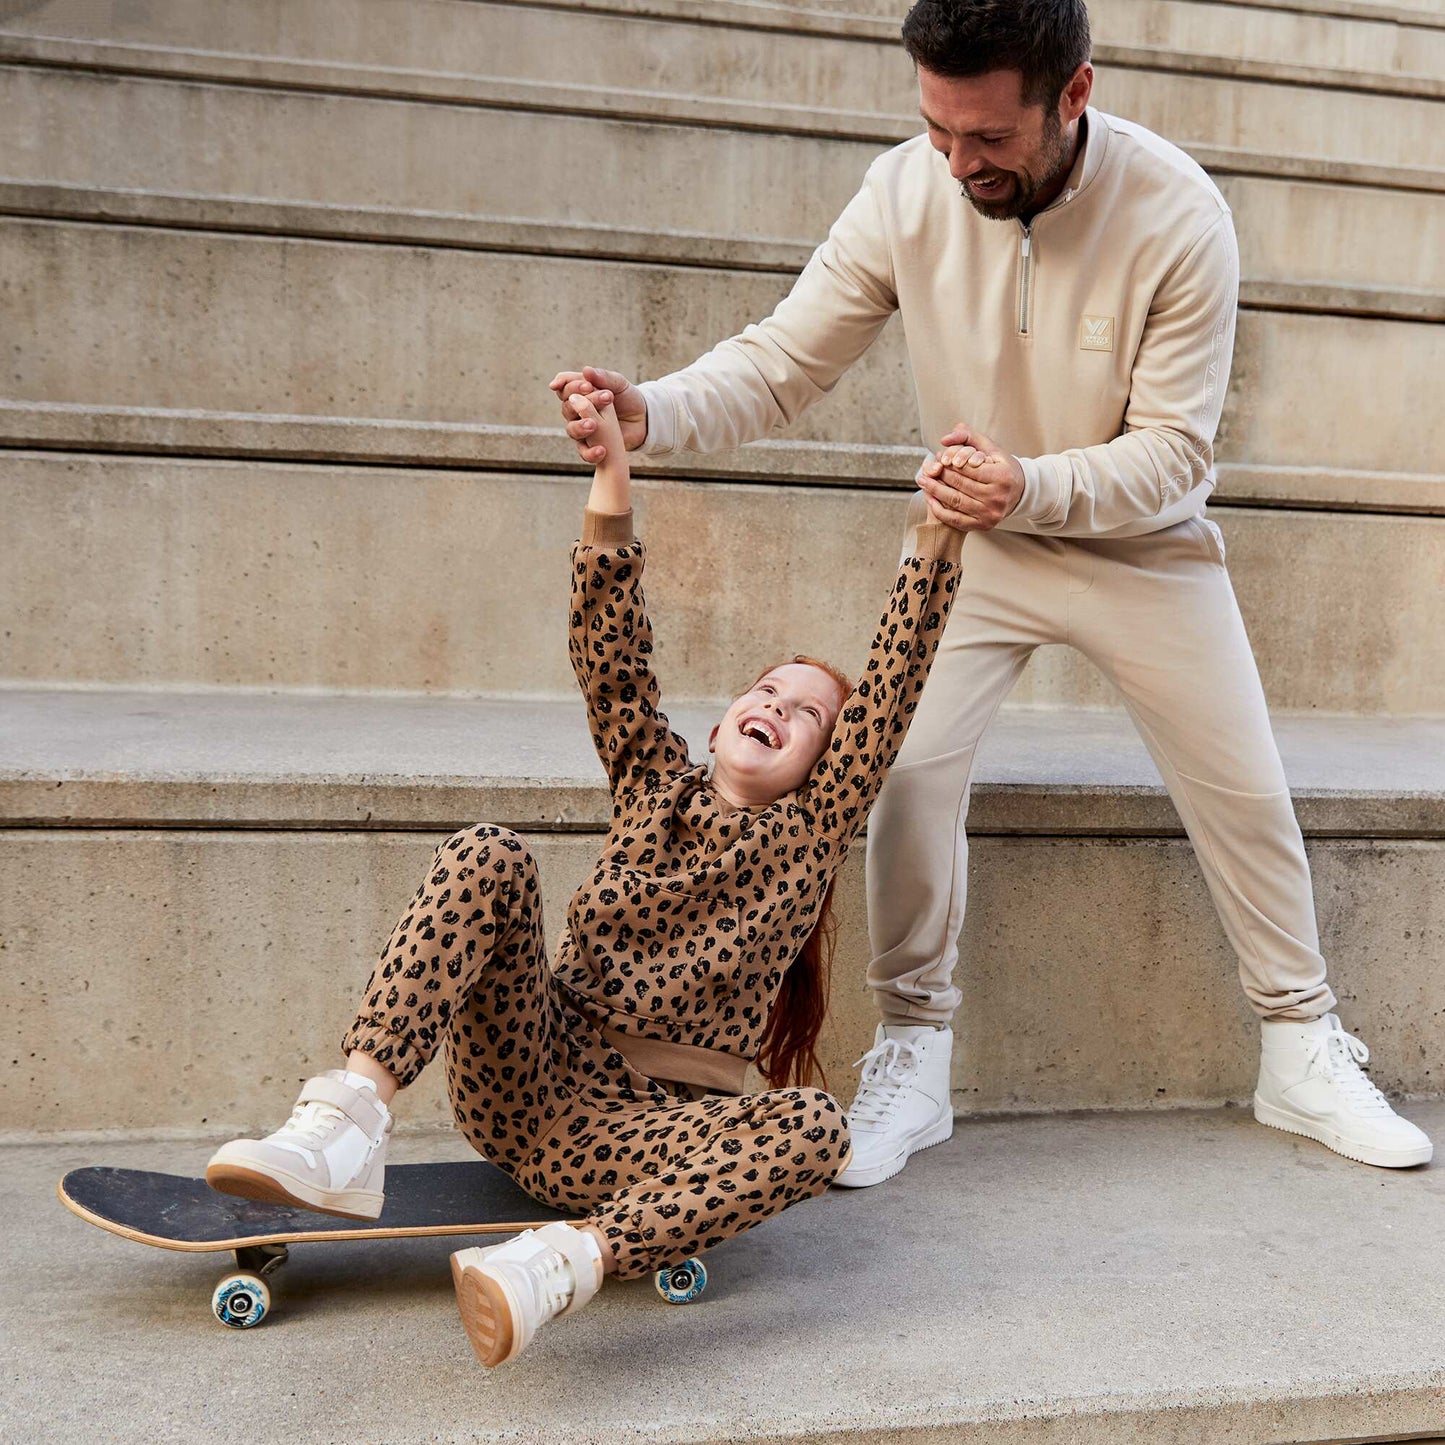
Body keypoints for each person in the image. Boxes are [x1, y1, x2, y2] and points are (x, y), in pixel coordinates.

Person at [550, 0, 1432, 1184]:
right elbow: (780, 358)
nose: (957, 163)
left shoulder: (1179, 215)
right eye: (937, 130)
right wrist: (652, 408)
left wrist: (1030, 480)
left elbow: (1174, 451)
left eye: (985, 139)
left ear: (1070, 94)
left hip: (1139, 542)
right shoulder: (907, 190)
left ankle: (1296, 1043)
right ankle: (913, 1052)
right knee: (902, 766)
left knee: (1242, 780)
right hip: (971, 549)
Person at [205, 391, 965, 1367]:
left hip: (645, 1133)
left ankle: (561, 1264)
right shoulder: (653, 779)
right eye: (766, 688)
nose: (776, 704)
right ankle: (343, 1125)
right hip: (533, 1068)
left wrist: (934, 536)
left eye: (807, 713)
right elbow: (611, 658)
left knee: (818, 1129)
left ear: (829, 760)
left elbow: (893, 681)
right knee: (490, 850)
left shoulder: (808, 831)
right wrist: (610, 476)